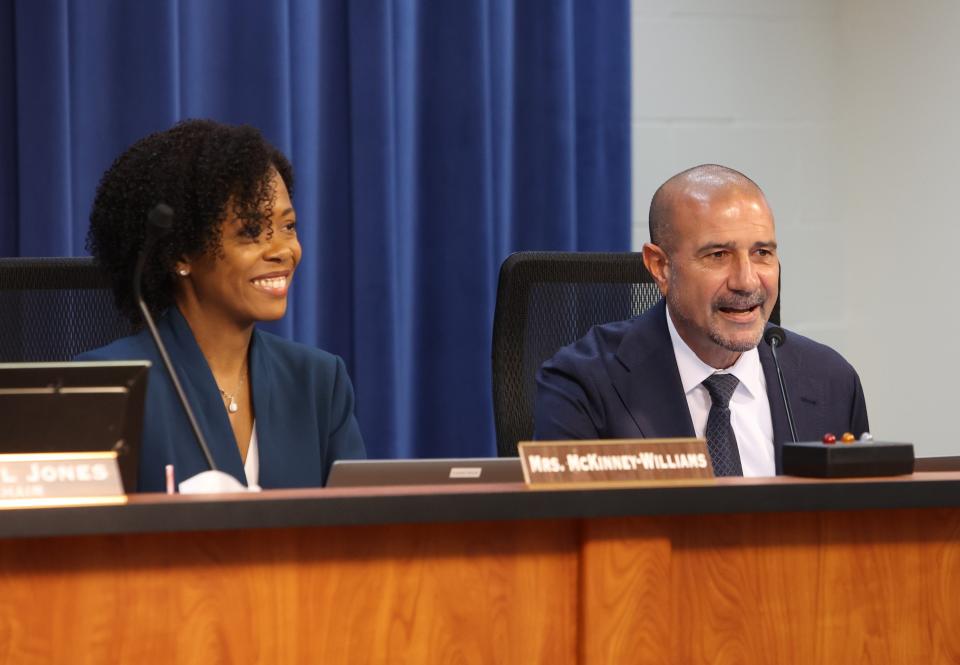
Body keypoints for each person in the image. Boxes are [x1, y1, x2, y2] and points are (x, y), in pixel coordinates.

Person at [80, 119, 365, 491]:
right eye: (250, 232)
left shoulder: (318, 381)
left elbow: (361, 531)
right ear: (180, 253)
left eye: (288, 226)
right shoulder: (107, 387)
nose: (282, 251)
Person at [534, 164, 868, 476]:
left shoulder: (831, 381)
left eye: (762, 253)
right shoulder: (583, 384)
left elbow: (861, 527)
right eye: (718, 255)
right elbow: (563, 531)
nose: (747, 281)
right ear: (660, 267)